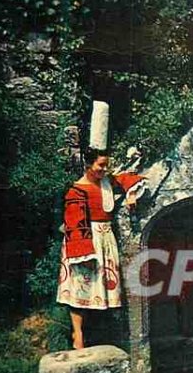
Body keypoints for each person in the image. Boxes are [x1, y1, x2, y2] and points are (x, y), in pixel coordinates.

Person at [57, 148, 146, 349]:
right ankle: (77, 333)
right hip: (88, 239)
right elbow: (75, 223)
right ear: (89, 165)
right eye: (100, 165)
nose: (104, 169)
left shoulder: (107, 182)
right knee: (81, 286)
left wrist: (131, 194)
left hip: (106, 239)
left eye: (106, 165)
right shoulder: (78, 190)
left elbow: (128, 179)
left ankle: (102, 332)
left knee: (103, 287)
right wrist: (84, 253)